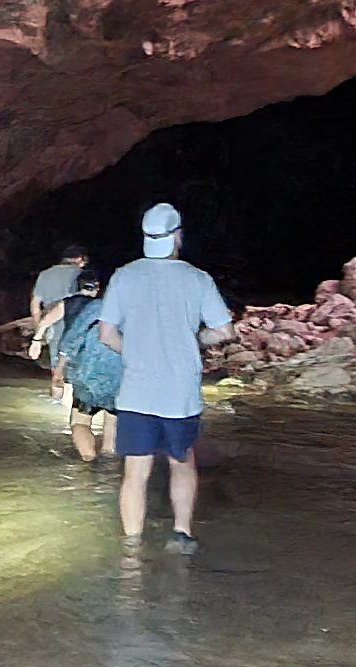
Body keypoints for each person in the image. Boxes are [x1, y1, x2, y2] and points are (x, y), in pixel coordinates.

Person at [99, 203, 234, 555]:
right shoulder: (197, 279)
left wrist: (133, 353)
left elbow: (106, 334)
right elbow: (223, 329)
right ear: (177, 236)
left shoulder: (124, 276)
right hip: (180, 393)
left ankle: (131, 545)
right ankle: (181, 533)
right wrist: (195, 340)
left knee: (135, 472)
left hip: (136, 391)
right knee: (181, 461)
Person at [52, 271, 122, 461]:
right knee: (113, 423)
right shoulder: (140, 313)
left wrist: (58, 371)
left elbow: (71, 341)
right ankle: (109, 462)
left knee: (80, 423)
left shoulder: (96, 308)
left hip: (87, 376)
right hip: (120, 380)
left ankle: (88, 458)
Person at [29, 244, 88, 397]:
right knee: (76, 370)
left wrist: (39, 331)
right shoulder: (81, 275)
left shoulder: (45, 274)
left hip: (51, 326)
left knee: (56, 369)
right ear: (80, 259)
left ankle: (56, 398)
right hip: (74, 325)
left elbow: (35, 304)